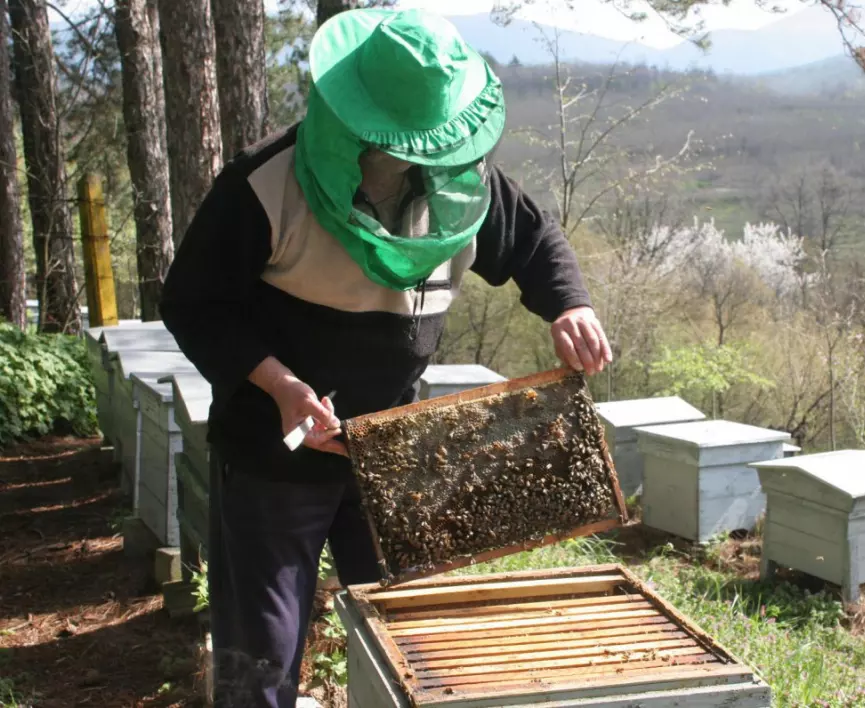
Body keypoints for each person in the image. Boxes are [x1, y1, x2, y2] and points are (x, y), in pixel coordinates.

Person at [160, 7, 613, 708]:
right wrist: (279, 384)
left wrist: (569, 303)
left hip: (393, 450)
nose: (420, 158)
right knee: (261, 658)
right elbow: (192, 304)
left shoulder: (465, 185)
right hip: (272, 453)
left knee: (415, 639)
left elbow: (533, 240)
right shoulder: (261, 186)